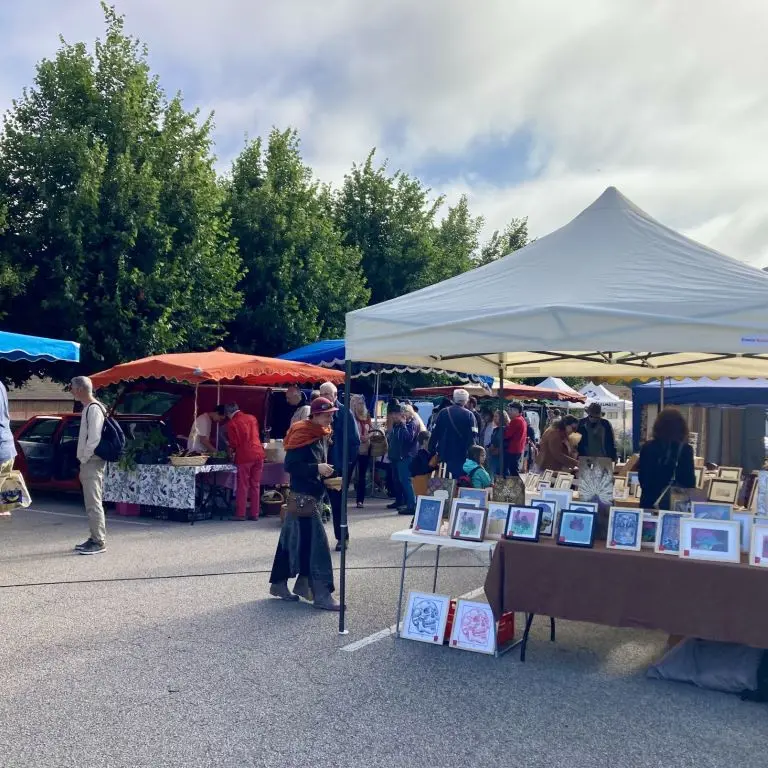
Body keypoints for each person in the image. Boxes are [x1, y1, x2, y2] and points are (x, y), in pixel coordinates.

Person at [269, 397, 339, 610]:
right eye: (327, 415)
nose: (330, 417)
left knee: (294, 542)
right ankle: (321, 594)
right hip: (303, 497)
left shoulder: (319, 433)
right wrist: (316, 469)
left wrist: (328, 478)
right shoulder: (303, 433)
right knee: (317, 546)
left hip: (309, 496)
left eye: (331, 414)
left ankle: (283, 584)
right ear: (315, 415)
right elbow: (291, 465)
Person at [319, 381, 360, 550]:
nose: (324, 397)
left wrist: (345, 466)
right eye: (322, 393)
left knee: (337, 505)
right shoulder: (318, 412)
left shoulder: (345, 413)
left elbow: (354, 442)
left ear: (335, 396)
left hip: (337, 467)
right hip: (319, 464)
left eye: (327, 394)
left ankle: (342, 538)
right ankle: (313, 541)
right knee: (313, 503)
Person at [71, 376, 107, 555]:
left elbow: (94, 437)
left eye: (72, 388)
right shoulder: (90, 408)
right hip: (90, 460)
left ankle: (98, 541)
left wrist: (84, 458)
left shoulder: (93, 409)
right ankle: (94, 537)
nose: (71, 391)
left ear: (79, 390)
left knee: (93, 502)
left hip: (92, 460)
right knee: (91, 501)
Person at [638, 408, 696, 510]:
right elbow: (689, 482)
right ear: (681, 427)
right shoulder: (685, 450)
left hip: (648, 501)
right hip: (674, 504)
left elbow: (643, 478)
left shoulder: (647, 447)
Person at [224, 403, 265, 521]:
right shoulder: (252, 418)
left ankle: (241, 514)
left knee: (243, 485)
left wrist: (229, 447)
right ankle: (255, 513)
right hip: (258, 453)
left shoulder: (232, 423)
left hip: (245, 456)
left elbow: (234, 443)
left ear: (228, 413)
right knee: (255, 485)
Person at [428, 388, 478, 480]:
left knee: (444, 481)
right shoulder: (470, 415)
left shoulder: (443, 413)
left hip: (444, 454)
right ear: (466, 400)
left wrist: (431, 451)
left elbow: (435, 434)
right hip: (462, 455)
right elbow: (473, 437)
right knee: (460, 481)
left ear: (454, 399)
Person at [387, 403, 418, 514]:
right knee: (398, 480)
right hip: (397, 456)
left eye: (397, 414)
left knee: (405, 480)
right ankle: (402, 501)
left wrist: (404, 425)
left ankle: (411, 505)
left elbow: (408, 438)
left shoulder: (412, 423)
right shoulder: (398, 424)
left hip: (405, 456)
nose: (395, 416)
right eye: (394, 414)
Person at [351, 394, 371, 508]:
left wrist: (367, 437)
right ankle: (343, 500)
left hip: (364, 447)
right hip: (353, 447)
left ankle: (360, 500)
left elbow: (371, 429)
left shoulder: (366, 415)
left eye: (361, 402)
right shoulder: (350, 415)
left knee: (362, 475)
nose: (360, 404)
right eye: (358, 402)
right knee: (348, 474)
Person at [503, 402, 527, 477]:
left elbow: (507, 435)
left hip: (513, 449)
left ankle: (518, 487)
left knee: (512, 470)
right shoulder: (522, 419)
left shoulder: (516, 420)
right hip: (518, 449)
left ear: (517, 411)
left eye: (511, 410)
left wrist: (504, 428)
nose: (509, 412)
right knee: (513, 469)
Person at [410, 431, 437, 497]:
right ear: (425, 441)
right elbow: (425, 468)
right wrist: (436, 467)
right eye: (430, 440)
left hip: (422, 481)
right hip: (421, 482)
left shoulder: (425, 453)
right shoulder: (421, 454)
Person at [487, 410, 510, 477]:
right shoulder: (496, 430)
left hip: (499, 457)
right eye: (494, 416)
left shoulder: (504, 430)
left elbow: (500, 443)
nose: (494, 418)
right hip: (495, 456)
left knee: (497, 477)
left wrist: (492, 450)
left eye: (496, 416)